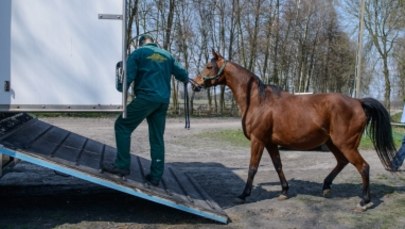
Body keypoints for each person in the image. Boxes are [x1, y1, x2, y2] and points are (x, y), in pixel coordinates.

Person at [102, 34, 189, 186]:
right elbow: (184, 75)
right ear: (154, 43)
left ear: (141, 43)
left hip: (146, 98)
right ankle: (155, 176)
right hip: (162, 101)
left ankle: (122, 165)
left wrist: (119, 83)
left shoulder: (138, 53)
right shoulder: (167, 55)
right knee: (157, 138)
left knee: (122, 125)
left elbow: (124, 82)